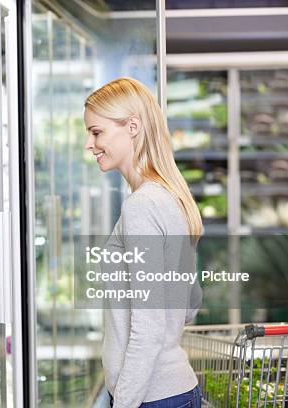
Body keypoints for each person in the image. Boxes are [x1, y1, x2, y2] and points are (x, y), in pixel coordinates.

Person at [84, 77, 203, 408]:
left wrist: (122, 403)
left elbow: (149, 330)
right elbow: (190, 303)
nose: (89, 144)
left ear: (132, 126)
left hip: (151, 398)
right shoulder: (170, 197)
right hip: (173, 391)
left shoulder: (141, 206)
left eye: (97, 132)